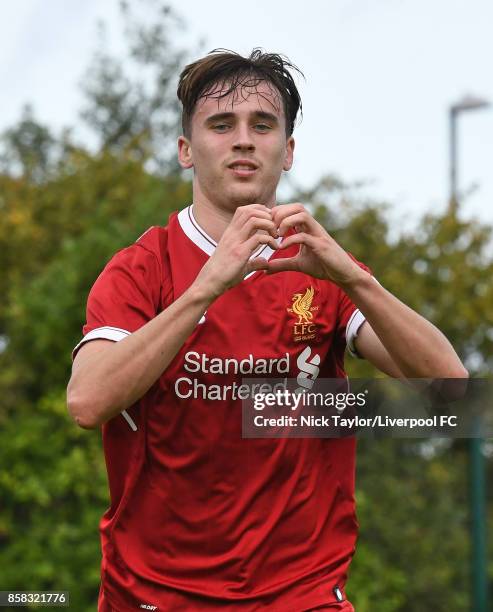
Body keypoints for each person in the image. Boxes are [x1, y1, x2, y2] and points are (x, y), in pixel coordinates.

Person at [67, 49, 467, 611]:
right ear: (186, 150)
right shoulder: (142, 268)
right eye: (221, 124)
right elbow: (86, 403)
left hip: (302, 597)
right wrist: (207, 287)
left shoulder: (320, 265)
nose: (243, 140)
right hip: (154, 596)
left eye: (263, 124)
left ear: (289, 151)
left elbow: (450, 388)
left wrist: (356, 279)